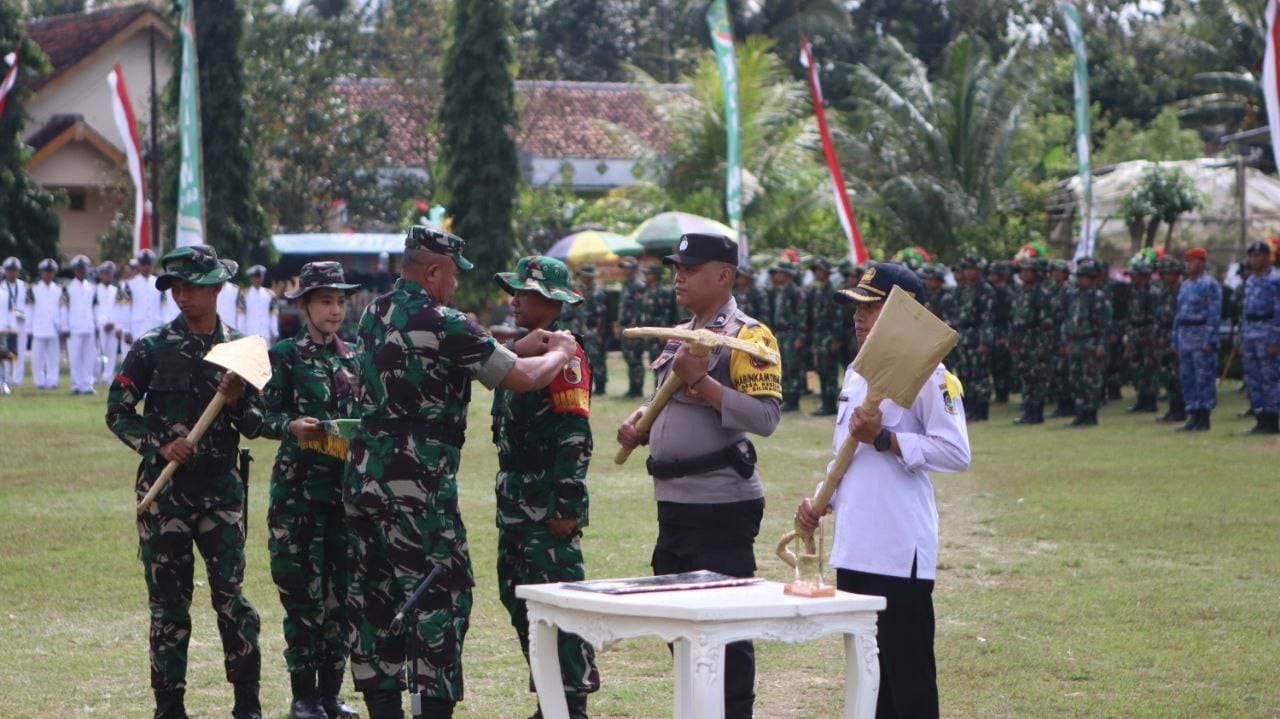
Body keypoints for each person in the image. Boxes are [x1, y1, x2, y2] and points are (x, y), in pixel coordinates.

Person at [344, 226, 581, 719]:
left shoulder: (374, 311)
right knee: (440, 598)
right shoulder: (445, 320)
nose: (456, 286)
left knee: (376, 599)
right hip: (417, 486)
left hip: (363, 478)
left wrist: (516, 342)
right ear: (432, 272)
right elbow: (521, 377)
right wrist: (560, 351)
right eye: (452, 276)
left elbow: (440, 350)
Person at [616, 232, 782, 719]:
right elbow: (666, 397)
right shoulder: (682, 333)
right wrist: (642, 421)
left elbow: (766, 419)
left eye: (690, 268)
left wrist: (703, 381)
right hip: (675, 503)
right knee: (678, 627)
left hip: (721, 506)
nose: (678, 276)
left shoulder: (749, 337)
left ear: (724, 275)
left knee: (724, 636)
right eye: (676, 267)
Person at [795, 262, 971, 719]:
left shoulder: (930, 373)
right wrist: (821, 499)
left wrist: (887, 438)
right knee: (868, 681)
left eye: (870, 307)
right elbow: (846, 454)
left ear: (902, 314)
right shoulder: (857, 372)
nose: (857, 316)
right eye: (856, 306)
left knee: (908, 679)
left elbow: (956, 452)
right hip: (854, 547)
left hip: (898, 552)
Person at [105, 245, 265, 719]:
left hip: (221, 494)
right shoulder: (151, 347)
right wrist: (159, 445)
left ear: (217, 287)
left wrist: (236, 400)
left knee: (232, 602)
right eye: (175, 287)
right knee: (168, 610)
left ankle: (246, 705)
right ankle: (169, 708)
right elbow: (117, 412)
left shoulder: (242, 352)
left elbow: (257, 423)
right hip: (165, 496)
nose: (182, 295)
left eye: (192, 286)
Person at [239, 262, 362, 719]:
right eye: (325, 301)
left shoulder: (354, 358)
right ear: (305, 305)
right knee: (302, 599)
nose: (335, 310)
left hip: (343, 498)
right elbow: (254, 419)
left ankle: (331, 693)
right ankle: (303, 697)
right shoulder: (285, 356)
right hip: (297, 499)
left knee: (340, 600)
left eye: (340, 301)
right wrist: (289, 426)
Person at [491, 256, 599, 719]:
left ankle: (571, 704)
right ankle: (549, 698)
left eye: (525, 293)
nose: (514, 300)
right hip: (515, 498)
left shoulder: (566, 357)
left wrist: (566, 504)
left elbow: (575, 436)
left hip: (546, 503)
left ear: (552, 302)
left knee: (561, 603)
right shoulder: (523, 350)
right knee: (521, 600)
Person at [1059, 258, 1112, 427]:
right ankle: (1080, 412)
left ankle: (1090, 413)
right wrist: (1066, 341)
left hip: (1090, 342)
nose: (1080, 280)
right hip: (1075, 342)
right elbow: (1068, 319)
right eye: (1079, 276)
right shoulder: (1074, 295)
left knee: (1091, 380)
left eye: (1084, 277)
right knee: (1075, 379)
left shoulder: (1098, 296)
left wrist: (1101, 344)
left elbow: (1104, 325)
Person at [1174, 247, 1222, 431]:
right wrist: (1175, 339)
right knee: (1188, 378)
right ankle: (1192, 414)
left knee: (1204, 378)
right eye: (1186, 261)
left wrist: (1209, 340)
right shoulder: (1185, 285)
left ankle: (1204, 417)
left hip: (1201, 336)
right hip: (1185, 336)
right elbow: (1178, 315)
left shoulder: (1210, 285)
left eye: (1192, 261)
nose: (1188, 265)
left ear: (1201, 263)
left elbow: (1214, 314)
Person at [1239, 241, 1280, 434]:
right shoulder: (1250, 281)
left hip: (1266, 331)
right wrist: (1242, 338)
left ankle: (1272, 420)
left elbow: (1278, 312)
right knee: (1253, 377)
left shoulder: (1275, 280)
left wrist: (1275, 339)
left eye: (1258, 255)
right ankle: (1260, 418)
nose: (1254, 259)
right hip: (1250, 333)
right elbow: (1245, 311)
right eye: (1252, 256)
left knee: (1269, 377)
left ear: (1267, 257)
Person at [1010, 257, 1052, 425]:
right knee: (1025, 375)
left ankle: (1036, 412)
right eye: (1023, 271)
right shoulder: (1020, 292)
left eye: (1028, 271)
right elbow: (1014, 318)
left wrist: (1043, 345)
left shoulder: (1041, 293)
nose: (1024, 274)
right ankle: (1028, 411)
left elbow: (1046, 323)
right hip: (1022, 341)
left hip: (1035, 341)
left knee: (1037, 377)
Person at [954, 252, 994, 421]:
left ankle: (981, 409)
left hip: (977, 336)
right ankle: (969, 407)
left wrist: (984, 341)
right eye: (966, 269)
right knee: (965, 373)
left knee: (980, 375)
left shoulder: (985, 289)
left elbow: (987, 318)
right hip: (965, 337)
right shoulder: (965, 289)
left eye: (972, 269)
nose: (968, 273)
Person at [766, 259, 806, 412]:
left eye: (779, 273)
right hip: (780, 333)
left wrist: (800, 337)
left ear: (787, 274)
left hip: (791, 333)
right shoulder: (779, 290)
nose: (776, 275)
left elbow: (801, 314)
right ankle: (785, 396)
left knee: (792, 366)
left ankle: (793, 400)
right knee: (781, 366)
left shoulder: (795, 291)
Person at [1123, 257, 1160, 413]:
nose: (1131, 278)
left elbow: (1157, 317)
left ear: (1144, 275)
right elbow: (1130, 314)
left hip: (1148, 333)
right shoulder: (1133, 291)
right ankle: (1141, 398)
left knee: (1149, 368)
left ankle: (1150, 401)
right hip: (1135, 332)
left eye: (1134, 275)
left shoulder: (1152, 293)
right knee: (1136, 367)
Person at [1154, 256, 1186, 423]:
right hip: (1163, 338)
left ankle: (1180, 409)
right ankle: (1172, 409)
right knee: (1166, 375)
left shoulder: (1183, 291)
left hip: (1178, 338)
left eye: (1168, 273)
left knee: (1177, 376)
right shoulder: (1164, 292)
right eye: (1163, 273)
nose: (1165, 277)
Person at [807, 258, 841, 416]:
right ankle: (825, 402)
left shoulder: (832, 291)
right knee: (821, 369)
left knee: (830, 370)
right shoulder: (817, 290)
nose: (817, 273)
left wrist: (836, 339)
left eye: (820, 270)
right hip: (819, 336)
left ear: (826, 272)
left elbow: (838, 316)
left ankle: (830, 404)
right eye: (816, 270)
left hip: (829, 335)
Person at [1046, 259, 1077, 418]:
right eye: (1054, 271)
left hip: (1064, 335)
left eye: (1060, 271)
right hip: (1054, 336)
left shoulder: (1069, 290)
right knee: (1057, 372)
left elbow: (1070, 317)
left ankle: (1068, 405)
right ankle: (1062, 404)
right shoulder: (1053, 289)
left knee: (1065, 372)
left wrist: (1066, 340)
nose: (1056, 274)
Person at [572, 264, 609, 395]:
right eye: (584, 276)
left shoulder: (598, 292)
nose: (586, 279)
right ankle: (584, 385)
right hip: (579, 330)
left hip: (594, 330)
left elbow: (602, 315)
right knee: (581, 359)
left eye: (589, 277)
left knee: (598, 359)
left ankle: (600, 386)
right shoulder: (575, 291)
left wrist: (600, 333)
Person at [28, 258, 65, 390]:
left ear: (54, 273)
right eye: (45, 272)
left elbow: (61, 310)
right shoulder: (34, 289)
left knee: (53, 357)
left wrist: (62, 326)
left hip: (54, 328)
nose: (48, 274)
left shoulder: (59, 290)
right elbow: (29, 310)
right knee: (37, 357)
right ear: (41, 273)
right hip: (38, 327)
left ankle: (52, 381)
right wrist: (29, 328)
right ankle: (39, 381)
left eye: (51, 272)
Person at [64, 255, 99, 394]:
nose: (81, 272)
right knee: (75, 356)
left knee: (89, 356)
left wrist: (96, 324)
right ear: (74, 271)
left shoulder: (91, 287)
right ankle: (76, 384)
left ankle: (87, 384)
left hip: (89, 326)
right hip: (74, 327)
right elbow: (63, 309)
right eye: (78, 269)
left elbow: (95, 307)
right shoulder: (68, 288)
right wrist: (65, 326)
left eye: (83, 269)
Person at [615, 257, 647, 397]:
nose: (624, 270)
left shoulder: (638, 285)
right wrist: (618, 324)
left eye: (627, 267)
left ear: (634, 268)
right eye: (623, 267)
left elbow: (640, 308)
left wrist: (636, 326)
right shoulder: (627, 284)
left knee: (636, 359)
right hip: (625, 326)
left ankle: (637, 389)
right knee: (629, 357)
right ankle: (632, 387)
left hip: (634, 327)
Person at [986, 260, 1016, 404]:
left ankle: (1003, 393)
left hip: (1002, 330)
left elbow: (1008, 315)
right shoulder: (994, 290)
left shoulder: (1005, 291)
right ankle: (999, 392)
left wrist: (1005, 335)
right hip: (995, 329)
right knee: (995, 363)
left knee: (1002, 364)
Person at [123, 248, 163, 351]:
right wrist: (126, 330)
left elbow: (163, 308)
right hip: (137, 329)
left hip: (155, 327)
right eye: (143, 264)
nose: (146, 267)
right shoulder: (130, 284)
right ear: (139, 266)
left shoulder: (159, 283)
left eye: (149, 264)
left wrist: (165, 328)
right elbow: (126, 309)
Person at [1, 256, 28, 387]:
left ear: (18, 271)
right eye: (9, 270)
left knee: (19, 352)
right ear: (5, 271)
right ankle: (6, 378)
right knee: (5, 352)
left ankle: (17, 379)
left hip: (20, 323)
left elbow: (28, 305)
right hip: (5, 324)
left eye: (14, 270)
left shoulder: (23, 286)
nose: (12, 273)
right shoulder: (2, 287)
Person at [95, 261, 121, 385]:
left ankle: (108, 376)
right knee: (98, 352)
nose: (107, 276)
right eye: (105, 273)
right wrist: (101, 323)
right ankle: (95, 376)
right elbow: (95, 309)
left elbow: (118, 309)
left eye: (109, 274)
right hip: (100, 326)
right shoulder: (95, 290)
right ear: (100, 275)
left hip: (113, 325)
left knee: (112, 351)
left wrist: (113, 323)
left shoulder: (116, 290)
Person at [239, 265, 279, 344]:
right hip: (249, 334)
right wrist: (241, 333)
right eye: (255, 277)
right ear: (251, 279)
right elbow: (241, 315)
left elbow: (273, 315)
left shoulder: (270, 294)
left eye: (260, 277)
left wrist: (274, 332)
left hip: (265, 335)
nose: (258, 280)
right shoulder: (244, 294)